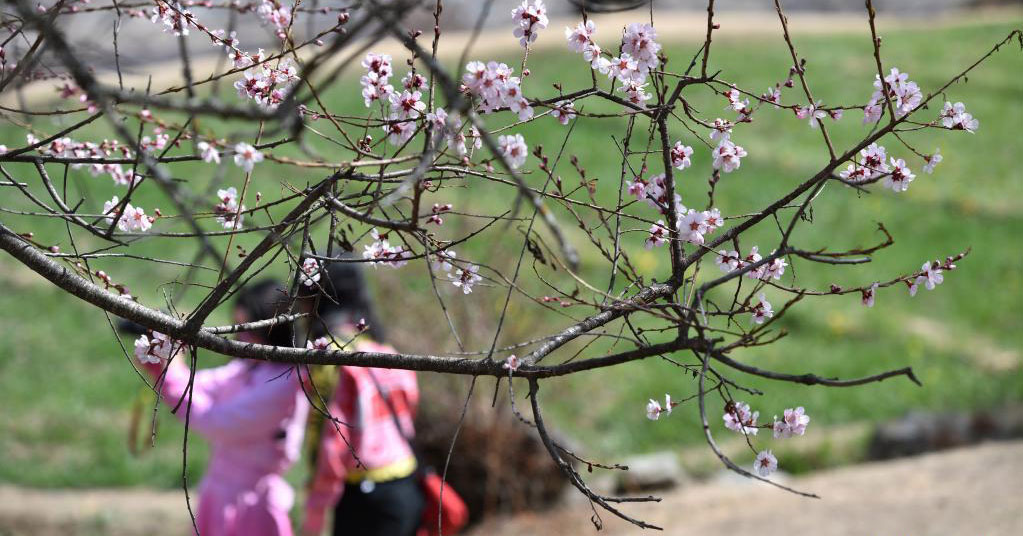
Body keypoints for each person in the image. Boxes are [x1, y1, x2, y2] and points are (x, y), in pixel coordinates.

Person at [137, 280, 309, 536]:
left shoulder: (284, 384)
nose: (241, 340)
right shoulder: (251, 367)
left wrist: (171, 372)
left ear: (271, 330)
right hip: (219, 494)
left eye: (248, 332)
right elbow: (203, 385)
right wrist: (163, 355)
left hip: (251, 505)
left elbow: (216, 422)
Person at [300, 259, 424, 536]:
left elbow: (329, 438)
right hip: (405, 484)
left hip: (364, 498)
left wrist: (317, 503)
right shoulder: (386, 350)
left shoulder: (329, 358)